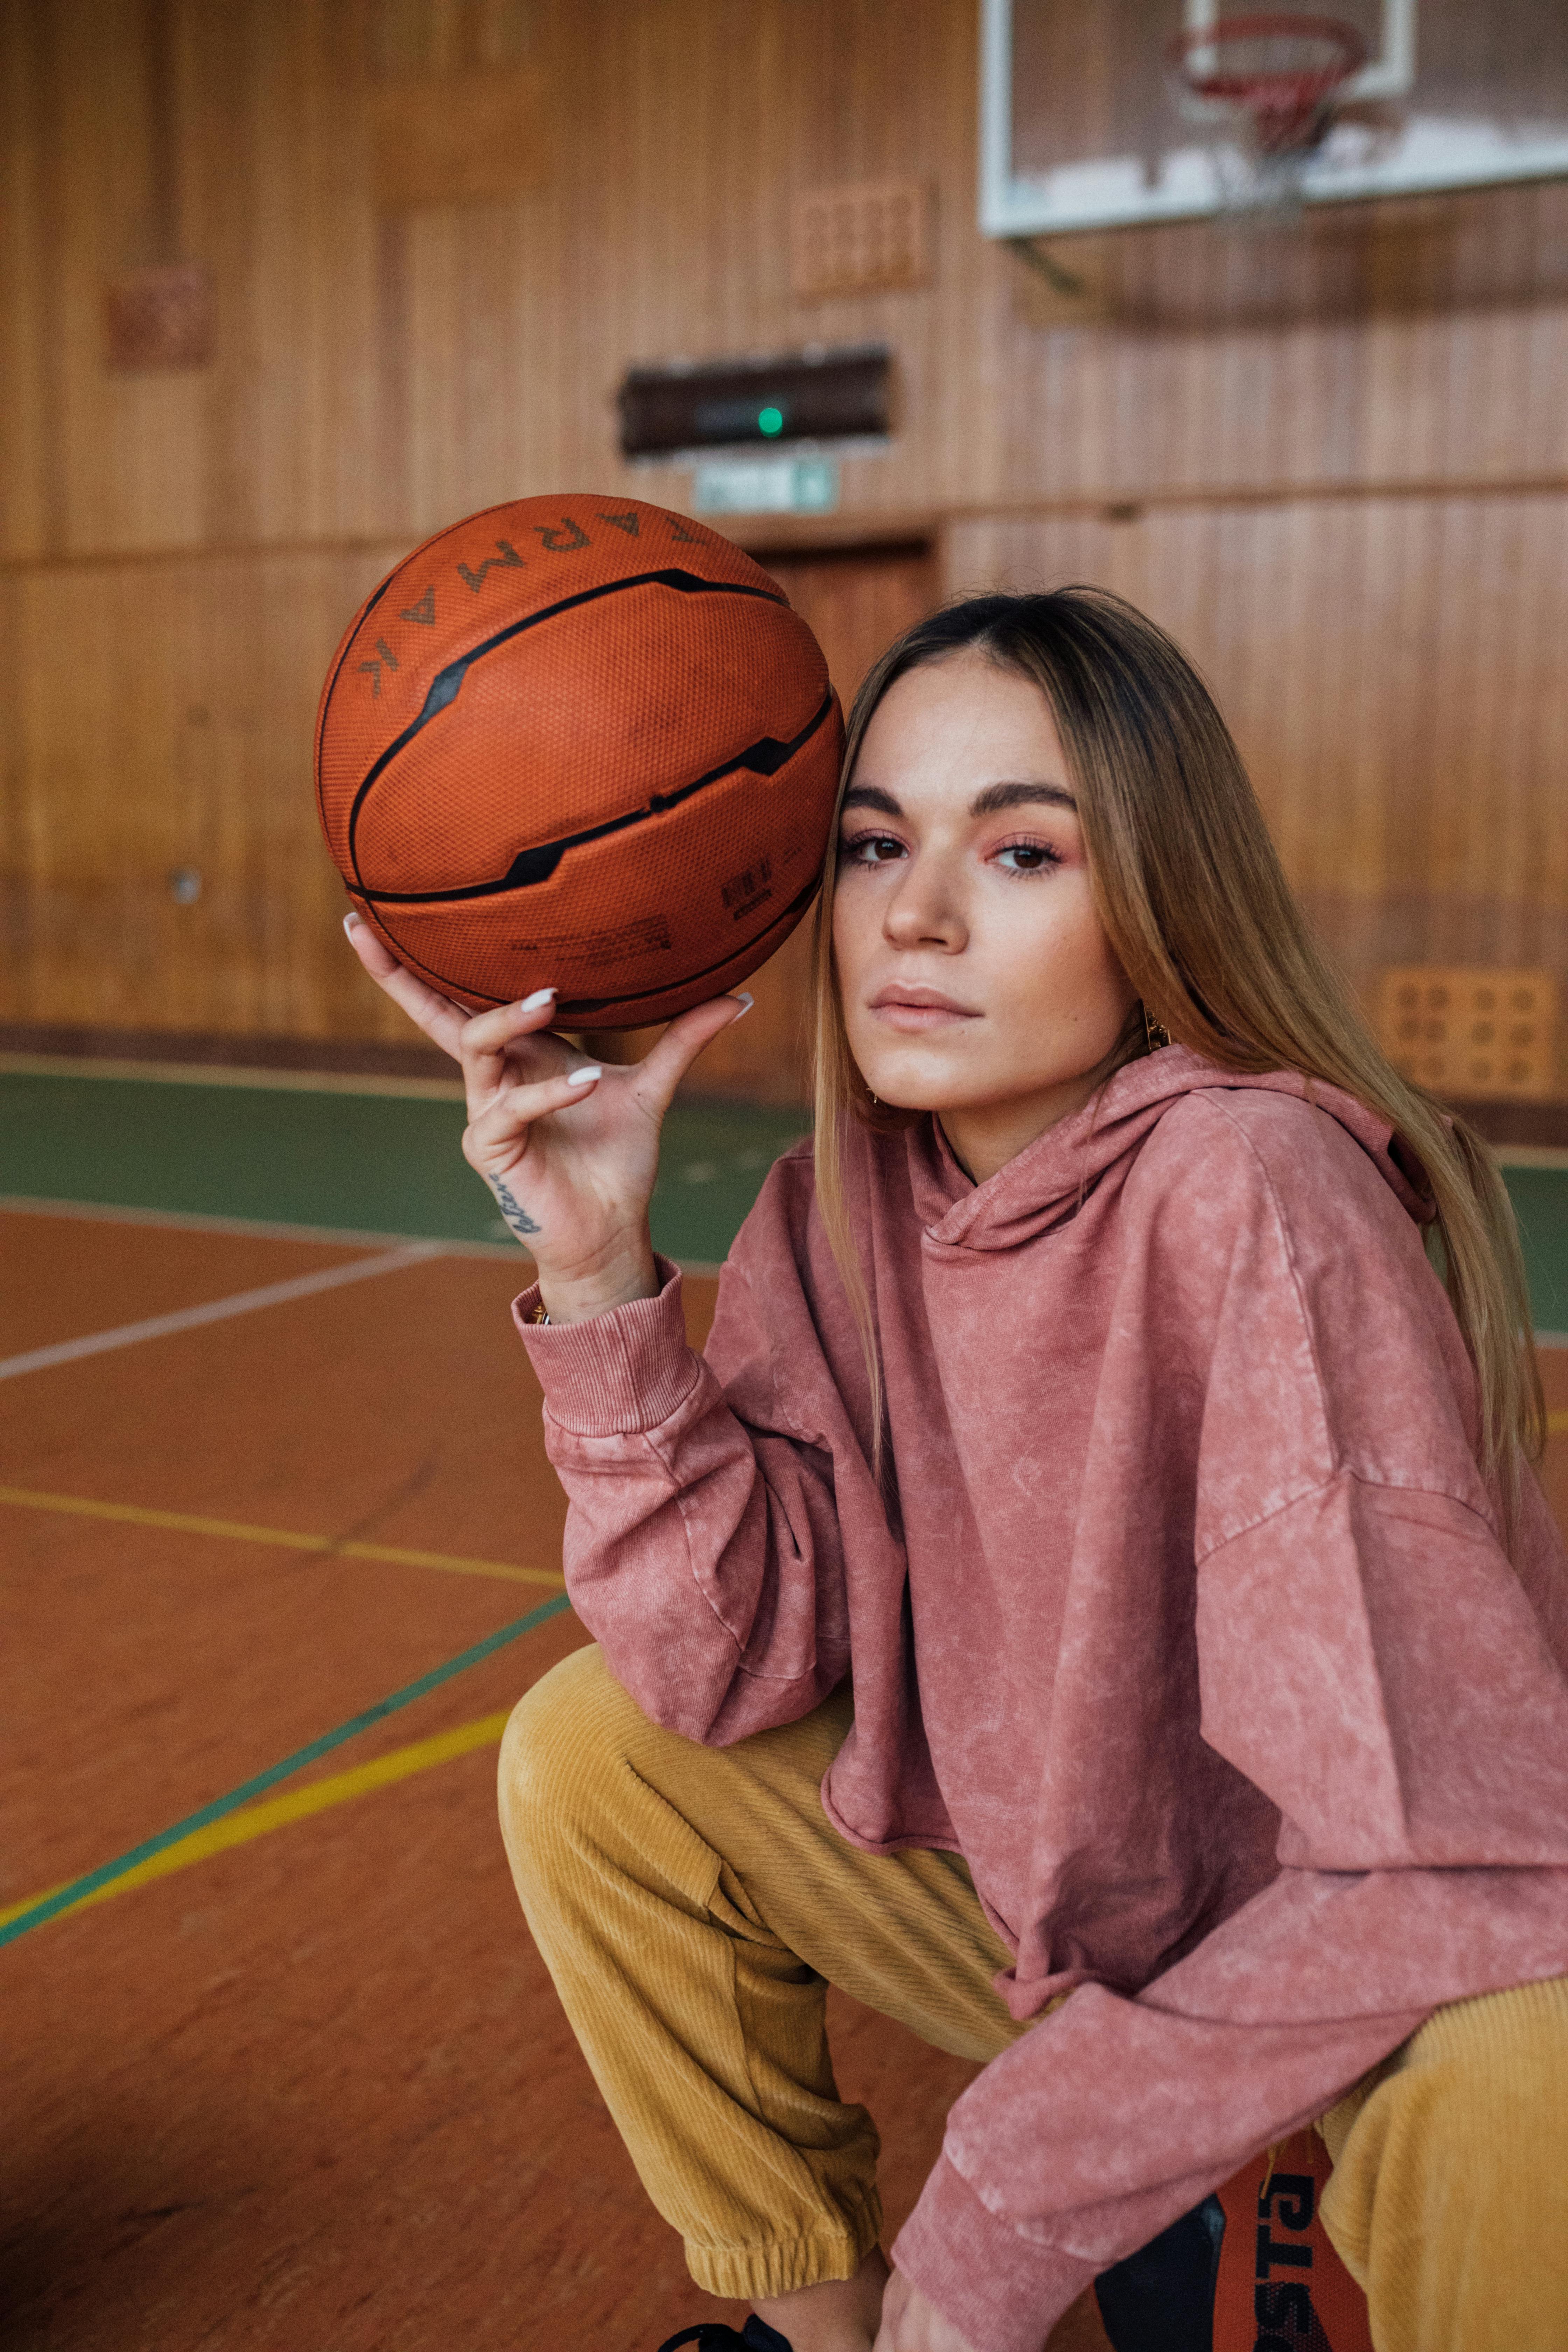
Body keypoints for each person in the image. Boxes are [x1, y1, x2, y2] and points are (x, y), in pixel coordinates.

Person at [344, 588, 1568, 2352]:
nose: (912, 914)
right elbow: (720, 1673)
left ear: (1154, 900)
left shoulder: (1251, 1192)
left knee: (1535, 2058)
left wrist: (1009, 2192)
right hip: (1077, 1926)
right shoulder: (836, 1211)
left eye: (1020, 854)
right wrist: (602, 1268)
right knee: (592, 1752)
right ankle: (818, 2332)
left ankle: (1262, 2189)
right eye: (870, 843)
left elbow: (1468, 1864)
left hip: (1359, 1977)